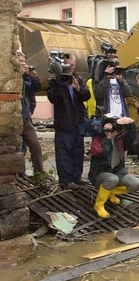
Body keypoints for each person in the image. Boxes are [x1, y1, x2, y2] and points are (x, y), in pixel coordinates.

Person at [46, 52, 91, 189]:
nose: (70, 68)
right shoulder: (56, 82)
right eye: (67, 65)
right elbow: (53, 98)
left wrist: (77, 88)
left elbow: (86, 95)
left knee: (78, 150)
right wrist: (58, 81)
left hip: (77, 121)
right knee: (64, 152)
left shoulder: (78, 78)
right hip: (64, 122)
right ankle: (66, 180)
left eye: (72, 65)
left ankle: (76, 177)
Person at [88, 115, 139, 219]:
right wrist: (107, 138)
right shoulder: (98, 139)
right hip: (99, 174)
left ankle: (110, 192)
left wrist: (131, 124)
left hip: (117, 171)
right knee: (113, 179)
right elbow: (98, 152)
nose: (114, 130)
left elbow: (132, 137)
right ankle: (99, 205)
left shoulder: (120, 139)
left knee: (136, 184)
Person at [17, 50, 44, 177]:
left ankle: (40, 174)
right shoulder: (12, 77)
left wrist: (33, 77)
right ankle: (19, 174)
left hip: (26, 117)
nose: (24, 64)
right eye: (21, 62)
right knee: (18, 149)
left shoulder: (24, 78)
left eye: (24, 62)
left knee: (35, 147)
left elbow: (33, 89)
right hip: (15, 118)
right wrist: (19, 75)